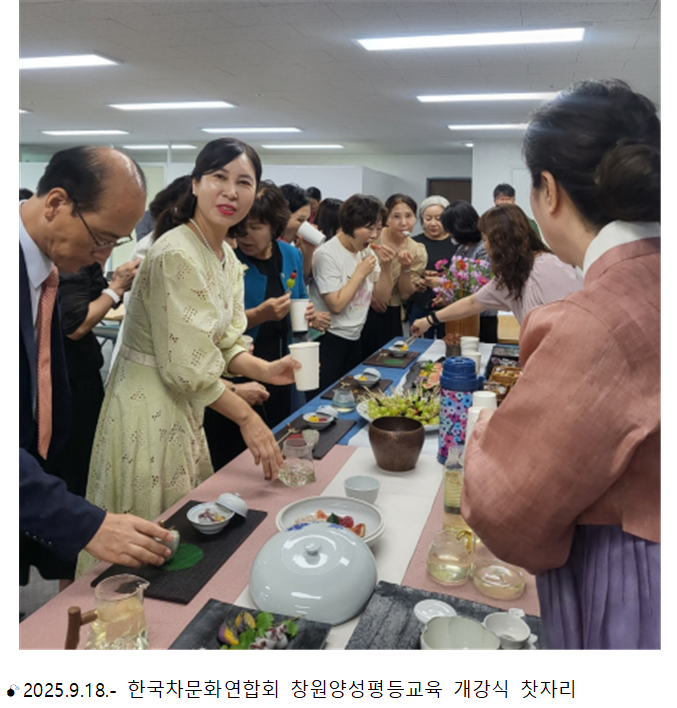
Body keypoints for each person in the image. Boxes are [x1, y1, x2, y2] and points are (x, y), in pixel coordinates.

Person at [462, 79, 660, 649]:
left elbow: (508, 506)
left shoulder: (594, 318)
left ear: (547, 191)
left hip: (632, 575)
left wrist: (484, 429)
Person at [81, 139, 299, 561]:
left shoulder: (225, 256)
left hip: (184, 404)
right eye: (219, 177)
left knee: (177, 530)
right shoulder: (176, 252)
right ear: (196, 184)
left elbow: (222, 342)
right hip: (147, 404)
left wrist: (266, 370)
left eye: (244, 182)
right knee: (146, 535)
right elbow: (187, 366)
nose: (231, 192)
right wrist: (247, 418)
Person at [19, 146, 173, 586]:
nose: (102, 256)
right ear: (55, 204)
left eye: (115, 242)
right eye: (101, 238)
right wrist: (84, 523)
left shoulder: (45, 270)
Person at [204, 181, 321, 468]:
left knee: (282, 437)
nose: (244, 235)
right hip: (239, 368)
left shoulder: (290, 255)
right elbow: (215, 327)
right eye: (240, 227)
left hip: (281, 364)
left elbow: (300, 298)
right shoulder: (226, 259)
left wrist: (307, 312)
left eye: (255, 227)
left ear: (274, 226)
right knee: (237, 455)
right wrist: (258, 314)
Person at [45, 257, 140, 584]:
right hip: (70, 385)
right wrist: (116, 288)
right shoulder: (70, 260)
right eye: (106, 236)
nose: (106, 245)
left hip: (70, 379)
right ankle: (68, 582)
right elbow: (76, 325)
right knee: (75, 480)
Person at [411, 204, 583, 335]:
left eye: (487, 240)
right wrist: (429, 320)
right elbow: (472, 303)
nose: (485, 247)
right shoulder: (511, 275)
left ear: (503, 240)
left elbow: (571, 322)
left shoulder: (548, 266)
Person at [309, 194, 396, 391]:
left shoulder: (366, 251)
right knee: (326, 396)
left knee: (351, 394)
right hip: (329, 338)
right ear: (350, 224)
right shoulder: (326, 254)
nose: (374, 235)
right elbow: (336, 305)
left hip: (355, 336)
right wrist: (360, 273)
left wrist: (387, 265)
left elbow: (383, 297)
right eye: (369, 228)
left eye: (379, 229)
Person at [360, 194, 427, 357]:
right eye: (396, 216)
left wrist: (406, 268)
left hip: (390, 312)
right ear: (387, 219)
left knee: (387, 359)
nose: (403, 223)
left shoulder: (417, 250)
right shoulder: (372, 238)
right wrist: (370, 297)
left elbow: (405, 294)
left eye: (409, 216)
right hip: (360, 306)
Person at [441, 200, 498, 342]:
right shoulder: (462, 248)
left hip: (482, 316)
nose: (449, 234)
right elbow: (455, 277)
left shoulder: (483, 248)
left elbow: (480, 284)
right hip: (462, 314)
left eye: (450, 229)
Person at [407, 195, 454, 339]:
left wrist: (443, 281)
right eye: (428, 219)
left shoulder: (455, 243)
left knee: (448, 344)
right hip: (420, 303)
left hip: (449, 306)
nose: (433, 223)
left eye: (438, 219)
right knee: (417, 344)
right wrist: (418, 280)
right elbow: (406, 272)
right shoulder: (413, 243)